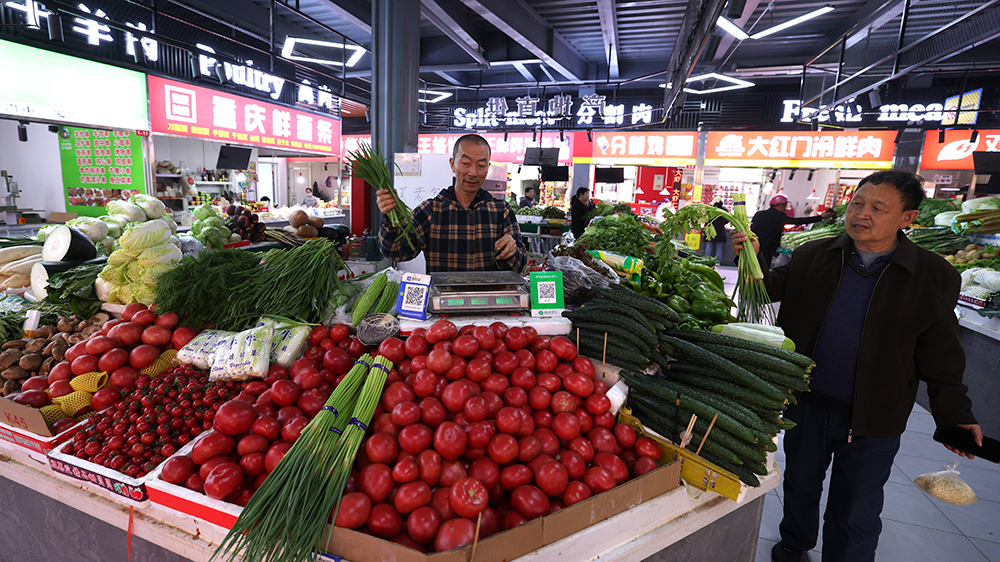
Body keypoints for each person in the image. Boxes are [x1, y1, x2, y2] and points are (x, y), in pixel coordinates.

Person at [732, 170, 981, 562]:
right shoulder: (815, 255)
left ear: (907, 218)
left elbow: (941, 353)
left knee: (857, 509)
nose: (861, 214)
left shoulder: (933, 276)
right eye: (857, 203)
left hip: (874, 417)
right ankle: (794, 542)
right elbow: (766, 288)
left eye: (878, 207)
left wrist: (955, 414)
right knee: (799, 484)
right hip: (807, 402)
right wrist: (751, 255)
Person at [377, 134, 527, 273]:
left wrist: (511, 251)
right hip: (441, 299)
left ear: (488, 167)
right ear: (452, 164)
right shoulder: (431, 210)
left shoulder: (501, 211)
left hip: (488, 299)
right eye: (465, 163)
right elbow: (397, 252)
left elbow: (518, 267)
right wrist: (391, 219)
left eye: (481, 165)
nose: (473, 173)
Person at [751, 194, 835, 268]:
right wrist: (820, 218)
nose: (785, 209)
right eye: (785, 206)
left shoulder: (759, 214)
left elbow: (752, 227)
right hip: (767, 248)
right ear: (780, 205)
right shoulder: (779, 216)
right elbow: (798, 221)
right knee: (763, 268)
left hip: (753, 245)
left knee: (752, 267)